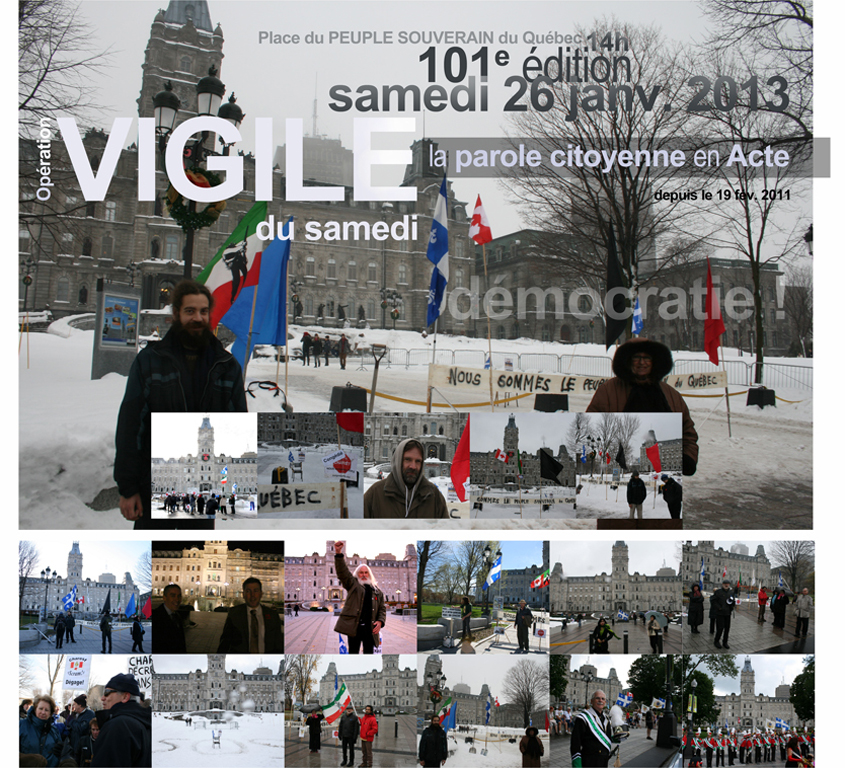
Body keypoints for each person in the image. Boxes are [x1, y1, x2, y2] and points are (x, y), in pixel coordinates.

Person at [114, 280, 247, 529]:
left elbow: (236, 430)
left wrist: (234, 486)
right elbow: (131, 426)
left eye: (203, 311)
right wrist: (128, 487)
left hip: (202, 491)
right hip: (154, 485)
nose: (197, 318)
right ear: (176, 313)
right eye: (190, 311)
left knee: (193, 560)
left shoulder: (227, 366)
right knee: (156, 560)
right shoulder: (150, 361)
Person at [586, 338, 699, 475]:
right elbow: (592, 427)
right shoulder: (608, 391)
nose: (642, 363)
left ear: (655, 361)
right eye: (636, 358)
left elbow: (687, 432)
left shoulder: (671, 394)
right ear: (628, 360)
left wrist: (688, 457)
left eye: (647, 358)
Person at [363, 438, 449, 518]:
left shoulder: (434, 496)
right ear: (398, 460)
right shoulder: (375, 494)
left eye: (418, 461)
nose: (413, 466)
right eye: (408, 459)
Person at [333, 541, 386, 654]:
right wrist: (338, 553)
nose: (363, 575)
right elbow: (343, 573)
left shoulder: (377, 591)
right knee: (353, 652)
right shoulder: (353, 585)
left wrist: (380, 621)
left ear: (369, 574)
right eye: (361, 572)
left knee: (369, 653)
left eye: (366, 572)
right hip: (354, 628)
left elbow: (382, 608)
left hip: (370, 629)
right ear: (357, 574)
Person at [91, 674, 151, 767]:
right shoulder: (144, 723)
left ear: (125, 697)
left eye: (107, 692)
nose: (102, 698)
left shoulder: (117, 726)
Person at [217, 577, 284, 653]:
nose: (252, 595)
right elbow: (225, 643)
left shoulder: (273, 615)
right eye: (248, 591)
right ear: (243, 594)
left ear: (261, 593)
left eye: (256, 591)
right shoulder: (234, 614)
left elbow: (279, 644)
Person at [20, 696, 67, 766]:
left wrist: (63, 756)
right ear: (35, 709)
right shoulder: (22, 725)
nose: (43, 712)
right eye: (41, 708)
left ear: (50, 713)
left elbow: (63, 754)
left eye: (46, 710)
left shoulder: (54, 731)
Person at [570, 690, 613, 767]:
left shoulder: (606, 719)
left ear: (605, 702)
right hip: (589, 761)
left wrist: (617, 737)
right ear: (591, 701)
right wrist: (577, 764)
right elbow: (575, 743)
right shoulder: (582, 718)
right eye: (597, 698)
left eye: (603, 699)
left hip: (603, 760)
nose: (600, 700)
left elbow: (605, 737)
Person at [152, 584, 187, 653]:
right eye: (173, 596)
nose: (177, 599)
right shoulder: (155, 617)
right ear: (164, 597)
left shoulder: (177, 616)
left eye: (179, 596)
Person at [68, 695, 95, 765]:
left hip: (83, 747)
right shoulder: (77, 714)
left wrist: (71, 721)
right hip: (75, 745)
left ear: (80, 705)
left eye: (74, 705)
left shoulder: (89, 714)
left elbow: (81, 728)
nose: (73, 707)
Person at [710, 580, 736, 649]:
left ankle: (725, 642)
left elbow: (733, 600)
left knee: (727, 628)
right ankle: (716, 641)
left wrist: (733, 605)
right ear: (722, 584)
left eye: (727, 584)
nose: (726, 585)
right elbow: (713, 600)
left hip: (727, 613)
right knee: (720, 628)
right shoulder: (718, 592)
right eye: (725, 584)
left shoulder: (731, 592)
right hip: (720, 613)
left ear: (729, 584)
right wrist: (719, 608)